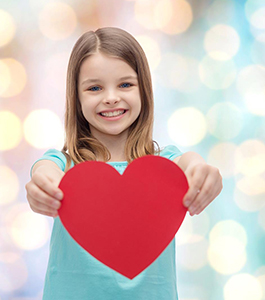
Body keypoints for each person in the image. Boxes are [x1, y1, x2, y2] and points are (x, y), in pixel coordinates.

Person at [25, 27, 223, 300]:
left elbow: (189, 164)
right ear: (77, 96)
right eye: (94, 87)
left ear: (144, 90)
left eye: (125, 84)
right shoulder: (65, 166)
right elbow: (43, 171)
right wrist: (43, 186)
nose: (110, 97)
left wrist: (201, 169)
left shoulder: (163, 166)